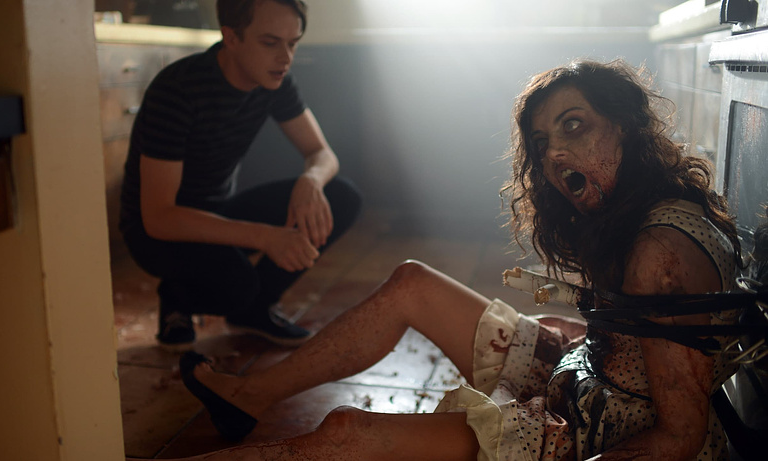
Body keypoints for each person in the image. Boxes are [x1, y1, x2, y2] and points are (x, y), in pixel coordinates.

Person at [164, 59, 742, 460]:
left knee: (346, 431)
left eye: (575, 125)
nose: (555, 153)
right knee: (412, 282)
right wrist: (597, 337)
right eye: (542, 142)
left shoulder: (659, 254)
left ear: (627, 123)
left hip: (598, 433)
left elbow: (678, 440)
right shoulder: (645, 206)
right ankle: (246, 397)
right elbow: (658, 343)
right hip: (588, 378)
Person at [120, 0, 362, 350]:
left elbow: (322, 154)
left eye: (292, 43)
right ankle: (177, 295)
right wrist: (265, 237)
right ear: (231, 37)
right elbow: (159, 218)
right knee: (237, 286)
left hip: (218, 211)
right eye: (270, 42)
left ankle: (254, 310)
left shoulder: (274, 80)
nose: (285, 58)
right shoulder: (178, 90)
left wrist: (310, 181)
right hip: (157, 233)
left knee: (341, 197)